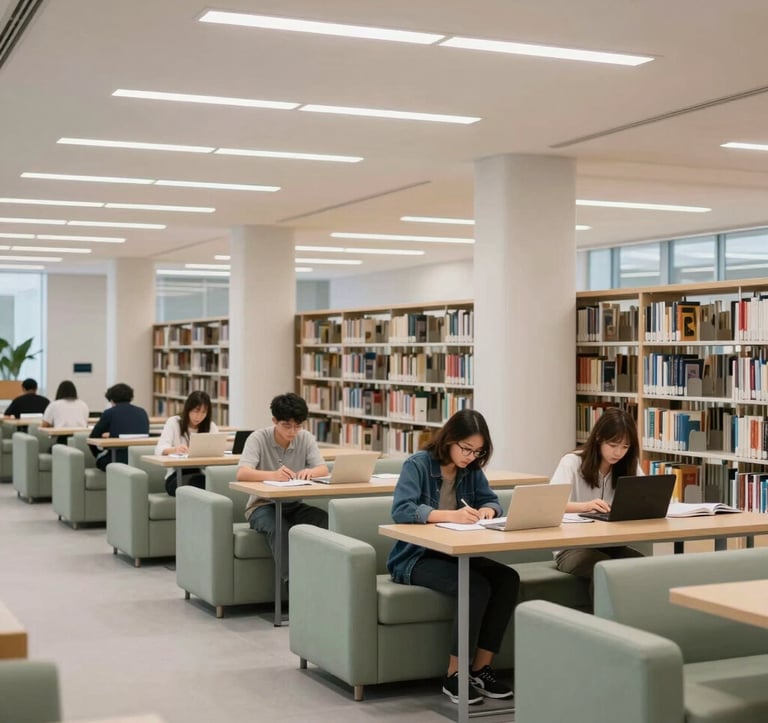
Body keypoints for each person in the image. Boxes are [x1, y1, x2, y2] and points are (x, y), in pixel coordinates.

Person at [387, 408, 518, 705]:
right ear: (450, 439)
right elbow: (401, 510)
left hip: (456, 553)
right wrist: (450, 515)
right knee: (474, 586)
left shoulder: (471, 470)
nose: (471, 457)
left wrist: (489, 510)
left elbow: (492, 500)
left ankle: (481, 669)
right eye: (466, 449)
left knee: (508, 578)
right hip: (414, 558)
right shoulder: (417, 465)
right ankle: (454, 675)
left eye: (478, 451)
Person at [236, 393, 329, 587]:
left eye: (298, 426)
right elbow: (242, 473)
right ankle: (293, 586)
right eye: (287, 425)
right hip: (261, 506)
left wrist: (310, 472)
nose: (293, 431)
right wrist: (272, 475)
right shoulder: (258, 438)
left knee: (326, 521)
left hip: (293, 504)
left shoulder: (305, 438)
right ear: (275, 421)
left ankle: (327, 581)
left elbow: (323, 469)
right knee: (280, 529)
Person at [550, 407, 644, 591]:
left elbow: (645, 496)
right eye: (613, 445)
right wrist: (584, 507)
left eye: (625, 447)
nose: (618, 453)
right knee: (605, 569)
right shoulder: (572, 462)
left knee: (642, 566)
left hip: (611, 544)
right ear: (599, 437)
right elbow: (551, 506)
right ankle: (602, 620)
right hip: (571, 548)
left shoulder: (629, 465)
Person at [155, 390, 218, 496]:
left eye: (203, 412)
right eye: (196, 411)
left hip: (200, 473)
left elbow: (216, 449)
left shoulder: (211, 426)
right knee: (203, 485)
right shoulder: (174, 422)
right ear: (188, 409)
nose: (199, 416)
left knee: (206, 483)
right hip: (176, 476)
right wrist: (175, 449)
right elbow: (160, 448)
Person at [88, 383, 150, 471]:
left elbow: (93, 438)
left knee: (101, 459)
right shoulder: (142, 412)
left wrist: (98, 453)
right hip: (139, 460)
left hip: (116, 459)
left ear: (112, 400)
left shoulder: (109, 413)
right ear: (131, 397)